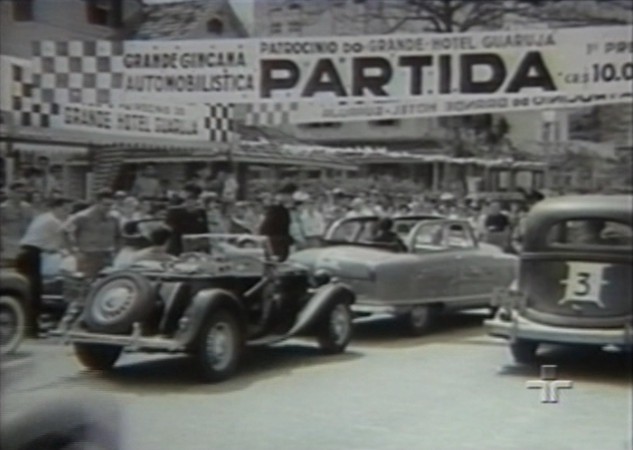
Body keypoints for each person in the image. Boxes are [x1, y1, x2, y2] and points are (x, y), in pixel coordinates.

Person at [15, 197, 72, 334]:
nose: (67, 213)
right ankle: (31, 329)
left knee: (29, 290)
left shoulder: (43, 217)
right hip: (32, 255)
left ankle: (27, 326)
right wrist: (72, 253)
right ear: (55, 208)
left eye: (69, 210)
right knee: (35, 291)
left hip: (25, 253)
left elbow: (51, 245)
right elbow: (64, 239)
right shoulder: (53, 221)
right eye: (65, 209)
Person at [64, 189, 119, 279]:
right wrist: (73, 251)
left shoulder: (114, 218)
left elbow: (119, 236)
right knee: (86, 283)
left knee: (104, 284)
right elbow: (65, 232)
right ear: (97, 202)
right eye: (105, 204)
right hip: (88, 256)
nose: (108, 208)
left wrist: (117, 251)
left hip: (107, 255)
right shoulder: (82, 217)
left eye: (111, 205)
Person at [165, 183, 209, 255]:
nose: (192, 202)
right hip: (178, 247)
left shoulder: (201, 212)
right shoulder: (175, 210)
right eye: (190, 198)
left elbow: (205, 229)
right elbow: (170, 225)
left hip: (197, 246)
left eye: (195, 198)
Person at [259, 184, 295, 261]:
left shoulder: (283, 210)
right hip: (276, 244)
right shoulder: (276, 210)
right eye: (290, 195)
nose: (292, 198)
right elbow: (266, 229)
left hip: (282, 243)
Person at [0, 181, 35, 262]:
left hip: (25, 243)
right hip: (8, 244)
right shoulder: (3, 208)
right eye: (18, 192)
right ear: (11, 193)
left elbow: (32, 225)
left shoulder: (28, 207)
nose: (21, 195)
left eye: (23, 192)